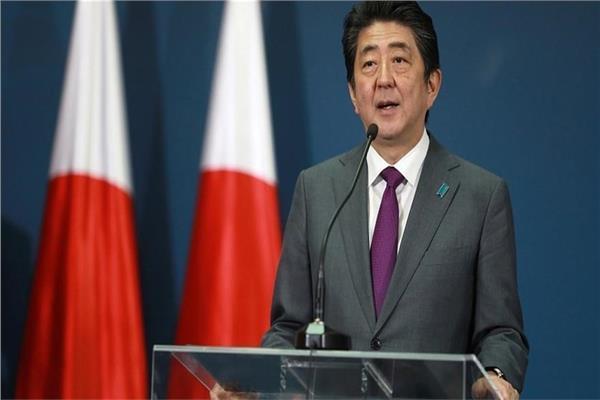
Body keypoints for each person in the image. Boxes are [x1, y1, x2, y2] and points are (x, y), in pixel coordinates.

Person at [262, 1, 528, 399]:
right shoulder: (316, 190)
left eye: (400, 60)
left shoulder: (481, 197)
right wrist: (261, 382)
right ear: (353, 94)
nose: (383, 79)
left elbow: (501, 331)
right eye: (369, 64)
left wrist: (494, 375)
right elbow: (287, 328)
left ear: (432, 85)